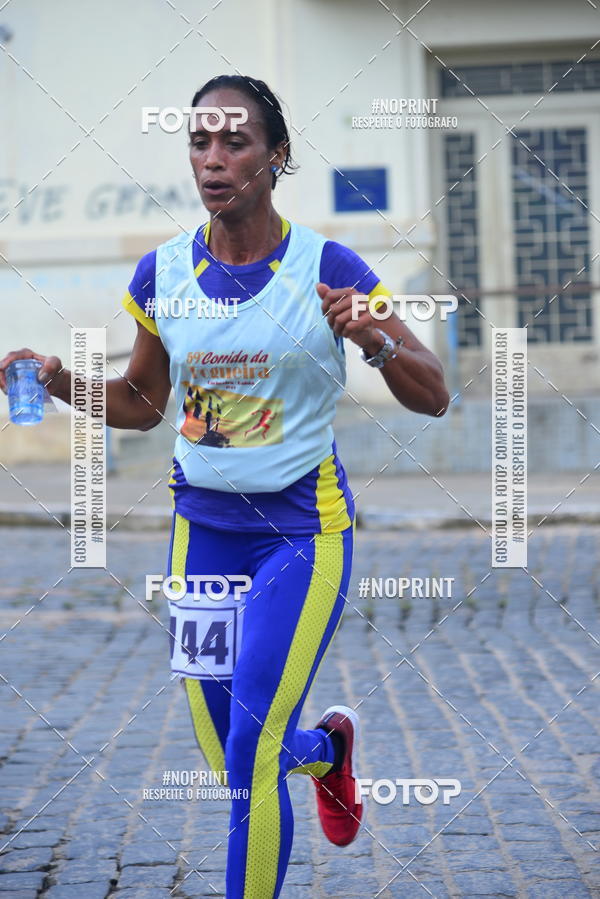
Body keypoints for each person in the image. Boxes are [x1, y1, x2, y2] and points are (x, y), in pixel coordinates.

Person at [0, 74, 449, 898]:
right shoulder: (161, 274)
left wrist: (373, 341)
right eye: (200, 142)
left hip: (300, 535)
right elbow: (142, 404)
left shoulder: (329, 266)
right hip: (200, 536)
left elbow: (435, 392)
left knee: (248, 753)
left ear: (277, 156)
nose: (213, 159)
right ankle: (329, 753)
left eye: (234, 141)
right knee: (228, 754)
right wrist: (62, 380)